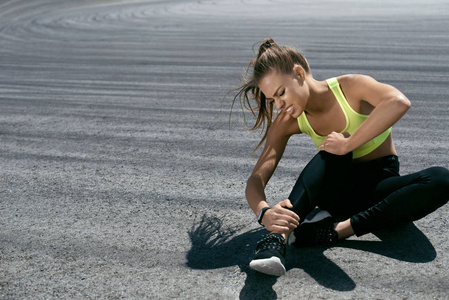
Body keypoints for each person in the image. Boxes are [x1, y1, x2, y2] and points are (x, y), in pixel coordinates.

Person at [232, 38, 449, 276]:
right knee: (331, 152)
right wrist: (264, 213)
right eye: (272, 100)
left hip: (379, 191)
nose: (278, 105)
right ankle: (276, 239)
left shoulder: (351, 88)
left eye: (281, 93)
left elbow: (398, 101)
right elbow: (256, 179)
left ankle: (336, 230)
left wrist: (348, 144)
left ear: (299, 73)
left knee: (441, 179)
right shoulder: (289, 120)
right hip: (336, 193)